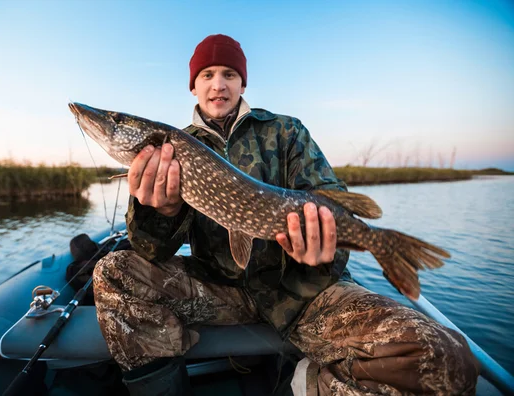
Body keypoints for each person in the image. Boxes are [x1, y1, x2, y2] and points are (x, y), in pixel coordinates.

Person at [93, 34, 479, 395]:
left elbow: (330, 202)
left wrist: (321, 255)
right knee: (114, 271)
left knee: (446, 358)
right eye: (207, 75)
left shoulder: (286, 132)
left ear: (243, 84)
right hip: (220, 288)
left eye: (229, 74)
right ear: (193, 86)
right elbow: (151, 250)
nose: (218, 85)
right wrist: (158, 208)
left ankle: (306, 382)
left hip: (302, 291)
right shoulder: (172, 150)